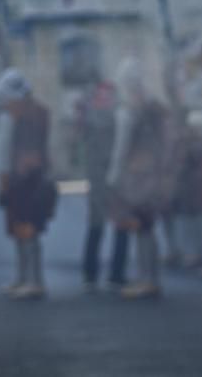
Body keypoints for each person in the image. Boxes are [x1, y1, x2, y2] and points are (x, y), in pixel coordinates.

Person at [107, 57, 169, 300]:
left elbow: (120, 149)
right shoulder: (154, 106)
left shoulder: (129, 111)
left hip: (136, 175)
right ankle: (150, 278)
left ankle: (147, 279)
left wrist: (113, 178)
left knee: (142, 227)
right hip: (154, 172)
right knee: (147, 227)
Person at [0, 68, 56, 301]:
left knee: (28, 230)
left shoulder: (23, 117)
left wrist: (4, 183)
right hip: (26, 180)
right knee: (20, 229)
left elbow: (5, 157)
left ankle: (34, 280)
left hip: (27, 181)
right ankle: (24, 278)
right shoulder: (36, 113)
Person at [68, 77, 128, 291]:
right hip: (100, 175)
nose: (104, 99)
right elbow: (75, 142)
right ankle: (93, 273)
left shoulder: (116, 115)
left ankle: (113, 273)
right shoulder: (90, 117)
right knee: (97, 224)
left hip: (116, 174)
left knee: (118, 224)